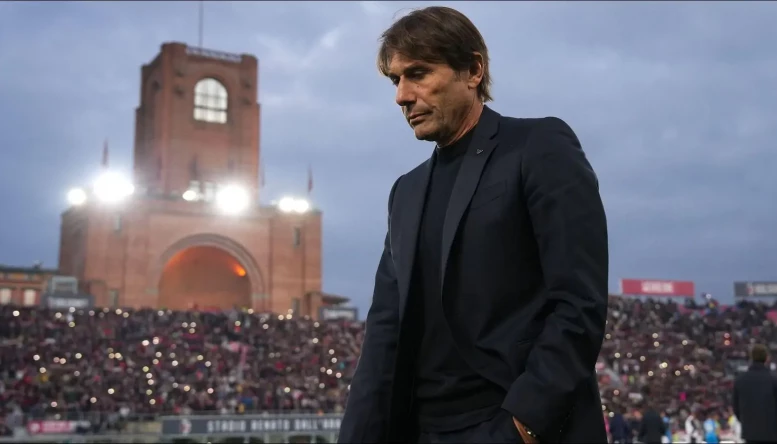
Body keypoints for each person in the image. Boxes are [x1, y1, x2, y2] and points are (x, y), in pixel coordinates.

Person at [338, 6, 609, 443]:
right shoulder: (405, 192)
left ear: (474, 70)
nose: (402, 96)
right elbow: (384, 335)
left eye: (419, 73)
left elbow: (578, 304)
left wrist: (522, 425)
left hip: (507, 424)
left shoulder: (539, 147)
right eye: (395, 80)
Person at [732, 343, 777, 443]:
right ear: (766, 358)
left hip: (750, 433)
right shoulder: (774, 379)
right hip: (772, 433)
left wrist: (747, 421)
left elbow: (736, 408)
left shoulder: (740, 380)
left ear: (751, 357)